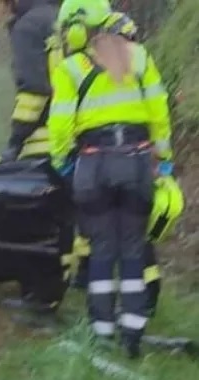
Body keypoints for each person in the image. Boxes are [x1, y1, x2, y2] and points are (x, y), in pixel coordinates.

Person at [48, 0, 175, 357]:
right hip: (137, 161)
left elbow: (60, 123)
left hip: (94, 162)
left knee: (102, 248)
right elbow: (159, 113)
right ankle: (133, 332)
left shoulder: (70, 68)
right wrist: (163, 160)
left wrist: (61, 161)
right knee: (133, 247)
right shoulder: (140, 57)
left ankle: (102, 331)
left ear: (77, 29)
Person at [0, 0, 58, 162]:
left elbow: (34, 92)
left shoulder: (28, 27)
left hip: (45, 144)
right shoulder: (68, 16)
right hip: (85, 141)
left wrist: (16, 141)